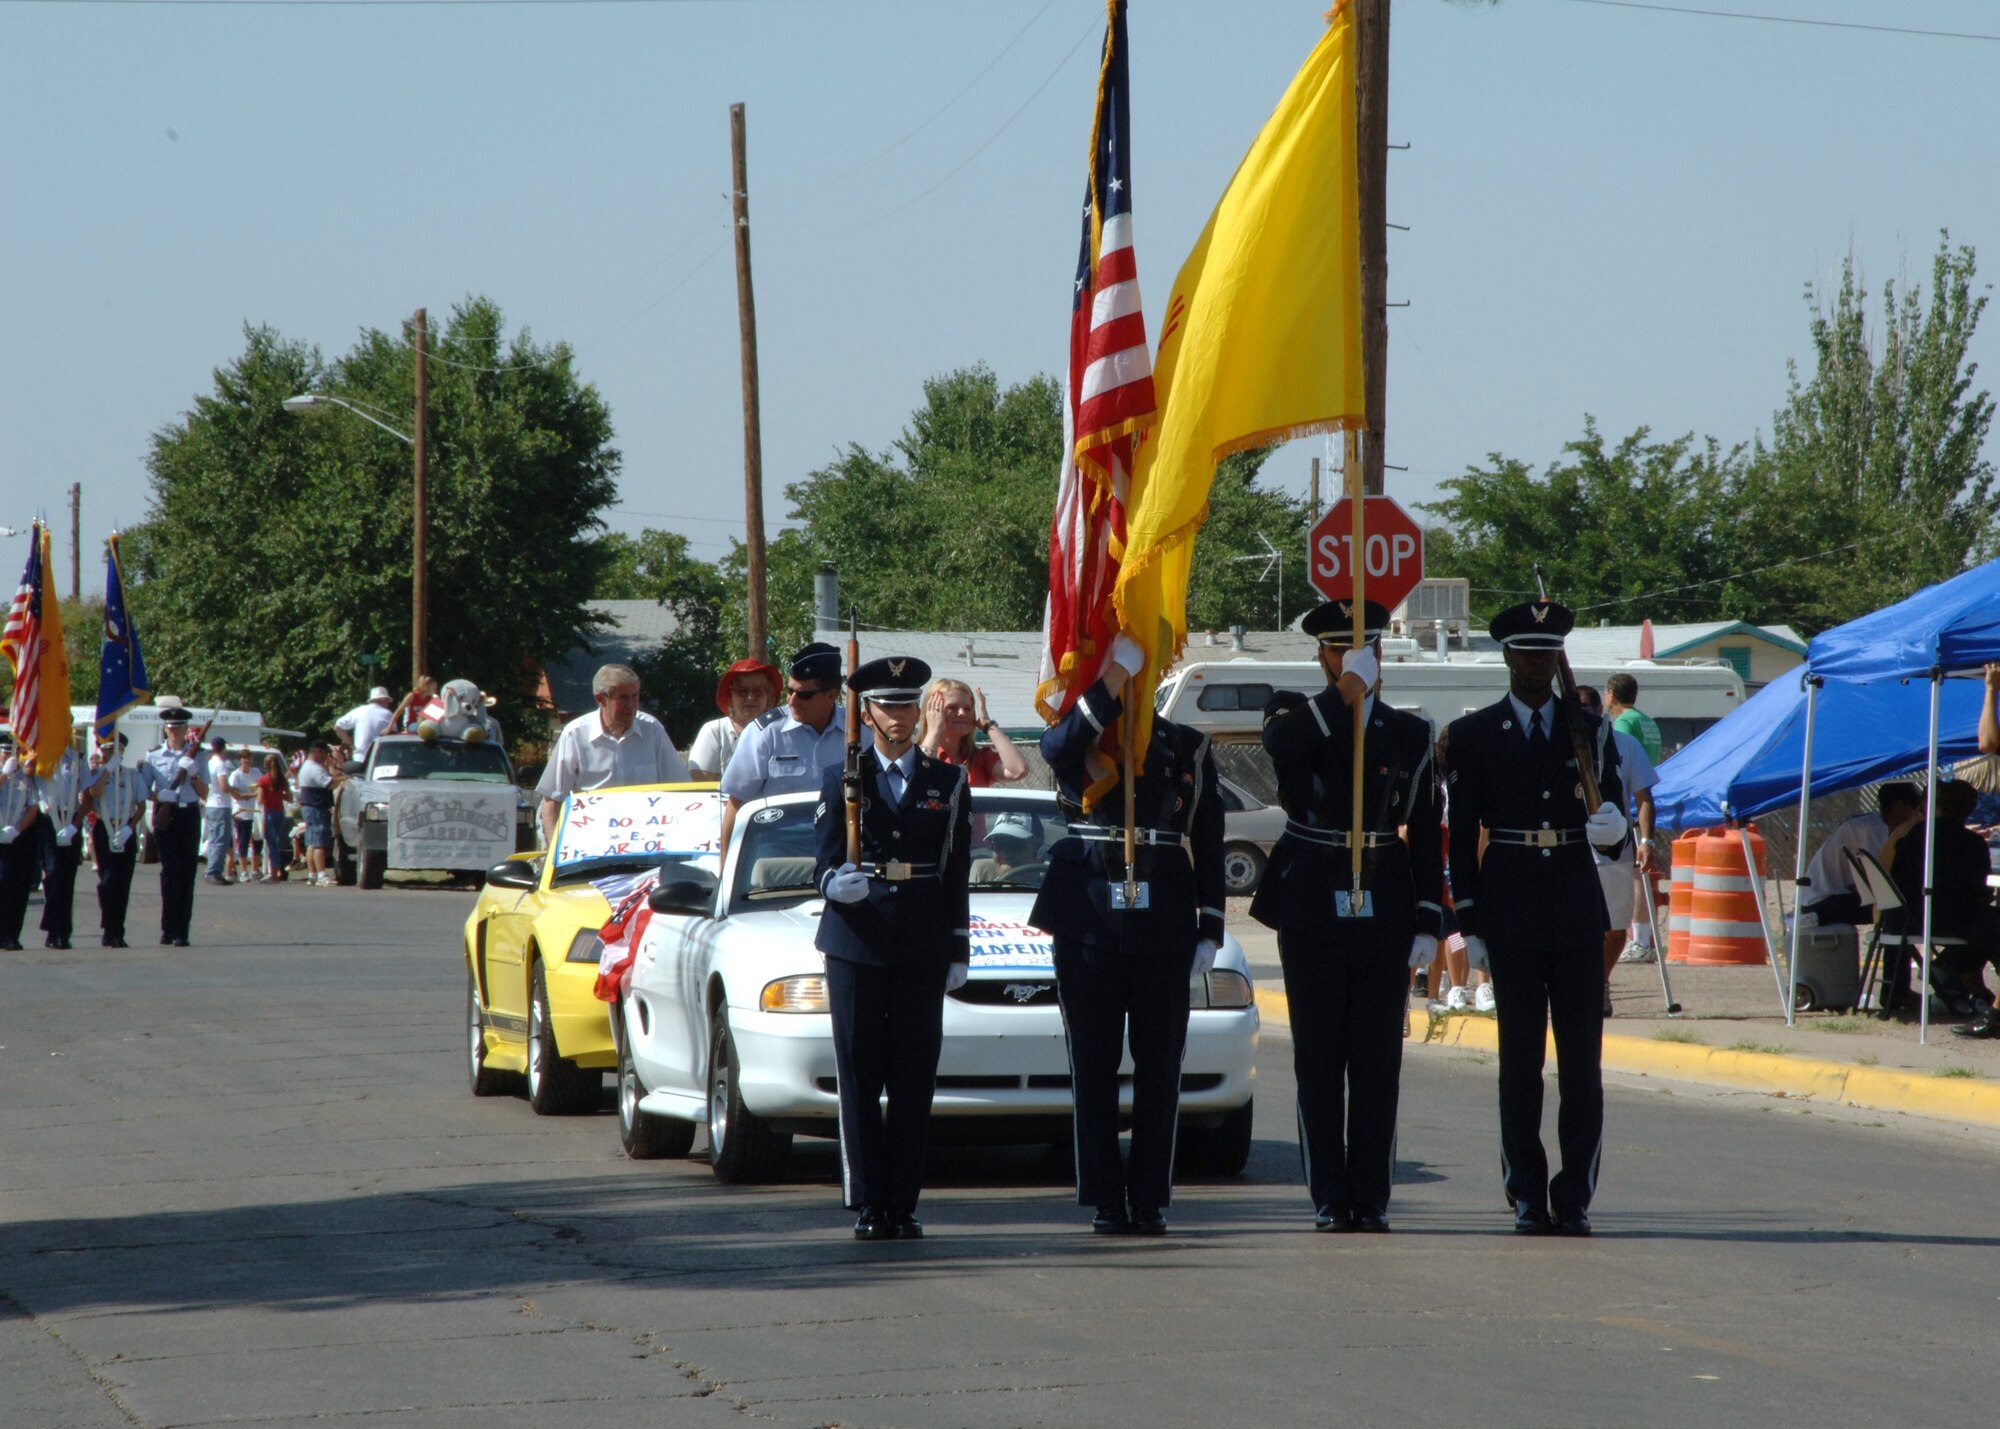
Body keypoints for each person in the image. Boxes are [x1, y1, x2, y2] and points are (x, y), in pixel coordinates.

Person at [1252, 600, 1444, 1233]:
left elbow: (1422, 828)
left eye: (1366, 651)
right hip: (1311, 901)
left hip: (1383, 902)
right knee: (1318, 1056)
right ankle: (1329, 1196)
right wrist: (1348, 690)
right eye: (1340, 651)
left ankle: (1372, 1194)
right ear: (1323, 656)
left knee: (1375, 1060)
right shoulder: (1293, 713)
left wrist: (1426, 919)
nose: (1357, 659)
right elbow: (1282, 746)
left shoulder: (1410, 734)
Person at [1442, 600, 1627, 1237]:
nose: (1536, 664)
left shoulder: (1589, 729)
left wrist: (1613, 831)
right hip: (1511, 903)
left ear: (1557, 659)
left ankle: (1573, 1194)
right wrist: (1469, 919)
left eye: (1546, 653)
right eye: (1525, 652)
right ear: (1506, 657)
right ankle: (1526, 1191)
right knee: (1520, 1064)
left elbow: (1614, 818)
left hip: (1575, 903)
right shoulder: (1472, 736)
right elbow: (1463, 832)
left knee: (1583, 1065)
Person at [1033, 635, 1224, 1236]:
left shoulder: (1187, 747)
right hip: (1088, 913)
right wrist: (1110, 677)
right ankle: (1104, 1196)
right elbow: (1056, 747)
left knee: (1161, 1062)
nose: (1137, 686)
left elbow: (1211, 839)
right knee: (1091, 1062)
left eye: (1145, 675)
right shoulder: (1082, 736)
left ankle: (1148, 1195)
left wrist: (1211, 925)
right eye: (1127, 678)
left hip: (1163, 913)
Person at [813, 655, 971, 1241]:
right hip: (856, 940)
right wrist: (835, 884)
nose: (899, 716)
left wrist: (960, 948)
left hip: (923, 940)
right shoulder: (842, 777)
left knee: (913, 1076)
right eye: (887, 705)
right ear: (868, 712)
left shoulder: (948, 782)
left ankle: (902, 1203)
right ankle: (866, 1200)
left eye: (907, 704)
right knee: (859, 1072)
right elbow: (824, 859)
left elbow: (956, 873)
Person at [720, 642, 852, 854]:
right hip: (776, 852)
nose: (792, 701)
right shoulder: (765, 733)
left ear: (831, 695)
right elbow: (735, 805)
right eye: (790, 691)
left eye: (804, 694)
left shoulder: (858, 733)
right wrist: (725, 879)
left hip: (839, 851)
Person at [536, 663, 690, 842]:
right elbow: (551, 801)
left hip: (646, 842)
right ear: (600, 699)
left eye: (635, 696)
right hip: (591, 844)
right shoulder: (575, 734)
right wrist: (555, 855)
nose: (631, 705)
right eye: (623, 698)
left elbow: (681, 792)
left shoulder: (653, 730)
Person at [1577, 684, 1659, 1014]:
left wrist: (1647, 841)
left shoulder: (1624, 744)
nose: (1582, 715)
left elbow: (1643, 799)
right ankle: (1578, 986)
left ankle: (1600, 983)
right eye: (1575, 709)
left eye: (1587, 708)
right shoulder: (1556, 746)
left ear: (1601, 710)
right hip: (1570, 853)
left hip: (1614, 852)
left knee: (1613, 928)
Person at [1888, 779, 1999, 1022]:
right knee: (1990, 926)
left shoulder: (1917, 834)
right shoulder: (1972, 843)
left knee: (1985, 926)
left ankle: (1956, 976)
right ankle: (1958, 976)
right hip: (1951, 917)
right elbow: (1978, 891)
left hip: (1910, 914)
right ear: (1969, 809)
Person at [1799, 783, 1923, 929]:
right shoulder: (1871, 830)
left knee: (1899, 910)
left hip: (1836, 896)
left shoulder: (1873, 826)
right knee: (1900, 912)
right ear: (1899, 806)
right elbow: (1876, 880)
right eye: (1915, 808)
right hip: (1821, 901)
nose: (1917, 815)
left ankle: (1898, 949)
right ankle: (1898, 950)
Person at [140, 706, 209, 946]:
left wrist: (193, 775)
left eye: (178, 727)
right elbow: (144, 790)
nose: (174, 731)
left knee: (187, 873)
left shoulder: (198, 756)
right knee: (169, 872)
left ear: (185, 729)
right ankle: (167, 928)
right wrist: (159, 797)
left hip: (188, 814)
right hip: (165, 815)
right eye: (170, 727)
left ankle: (182, 931)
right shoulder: (154, 755)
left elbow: (205, 793)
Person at [84, 734, 146, 945]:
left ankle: (117, 931)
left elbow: (142, 805)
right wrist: (108, 769)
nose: (110, 754)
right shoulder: (96, 773)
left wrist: (131, 827)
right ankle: (108, 925)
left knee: (123, 882)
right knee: (108, 880)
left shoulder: (132, 775)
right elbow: (93, 792)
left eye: (115, 751)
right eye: (107, 750)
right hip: (104, 827)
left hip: (125, 828)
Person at [917, 679, 1028, 786]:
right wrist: (934, 731)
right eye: (952, 707)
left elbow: (1018, 770)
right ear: (931, 712)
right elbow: (916, 777)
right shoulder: (910, 754)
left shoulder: (980, 758)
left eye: (968, 708)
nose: (962, 713)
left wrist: (988, 725)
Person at [688, 658, 780, 780]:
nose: (750, 697)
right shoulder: (714, 731)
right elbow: (698, 782)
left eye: (758, 691)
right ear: (730, 698)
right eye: (742, 691)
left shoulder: (779, 732)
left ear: (768, 698)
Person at [35, 743, 88, 949]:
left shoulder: (77, 759)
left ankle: (62, 933)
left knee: (67, 878)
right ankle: (53, 926)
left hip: (71, 820)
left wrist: (75, 826)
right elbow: (30, 778)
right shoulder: (40, 755)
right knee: (54, 873)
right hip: (49, 820)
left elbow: (87, 795)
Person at [0, 732, 44, 951]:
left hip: (17, 838)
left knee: (17, 888)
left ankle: (12, 935)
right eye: (6, 752)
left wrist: (16, 830)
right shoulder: (5, 773)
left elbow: (34, 807)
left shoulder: (25, 777)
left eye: (13, 752)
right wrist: (4, 774)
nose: (10, 756)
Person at [295, 740, 336, 886]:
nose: (326, 756)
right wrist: (344, 778)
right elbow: (330, 784)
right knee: (319, 842)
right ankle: (321, 875)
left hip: (309, 807)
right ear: (318, 751)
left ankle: (312, 875)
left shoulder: (306, 766)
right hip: (317, 807)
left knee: (311, 843)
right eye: (325, 753)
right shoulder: (315, 768)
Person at [1604, 672, 1663, 763]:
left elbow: (1622, 755)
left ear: (1611, 694)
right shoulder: (1648, 721)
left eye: (1605, 693)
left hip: (1634, 776)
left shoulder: (1624, 721)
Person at [201, 734, 235, 885]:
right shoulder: (220, 764)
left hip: (210, 803)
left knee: (214, 839)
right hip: (220, 804)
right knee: (221, 839)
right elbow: (224, 786)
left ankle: (211, 869)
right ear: (223, 748)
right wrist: (235, 789)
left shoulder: (209, 762)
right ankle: (214, 871)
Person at [335, 687, 396, 763]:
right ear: (382, 700)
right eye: (387, 701)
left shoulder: (360, 711)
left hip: (360, 759)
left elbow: (338, 727)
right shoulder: (388, 715)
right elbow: (394, 737)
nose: (388, 704)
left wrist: (350, 744)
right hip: (381, 760)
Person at [227, 748, 262, 880]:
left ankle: (255, 869)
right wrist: (251, 794)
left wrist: (251, 794)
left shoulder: (256, 772)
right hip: (241, 813)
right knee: (243, 842)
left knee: (257, 841)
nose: (247, 761)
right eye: (244, 758)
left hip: (256, 811)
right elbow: (236, 795)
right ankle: (244, 871)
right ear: (240, 760)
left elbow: (260, 789)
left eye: (249, 758)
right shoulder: (235, 775)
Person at [256, 754, 292, 882]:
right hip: (280, 812)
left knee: (272, 844)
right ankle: (276, 871)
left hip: (269, 813)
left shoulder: (263, 780)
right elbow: (289, 797)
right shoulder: (281, 779)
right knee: (276, 842)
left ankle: (274, 874)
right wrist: (278, 796)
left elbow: (260, 799)